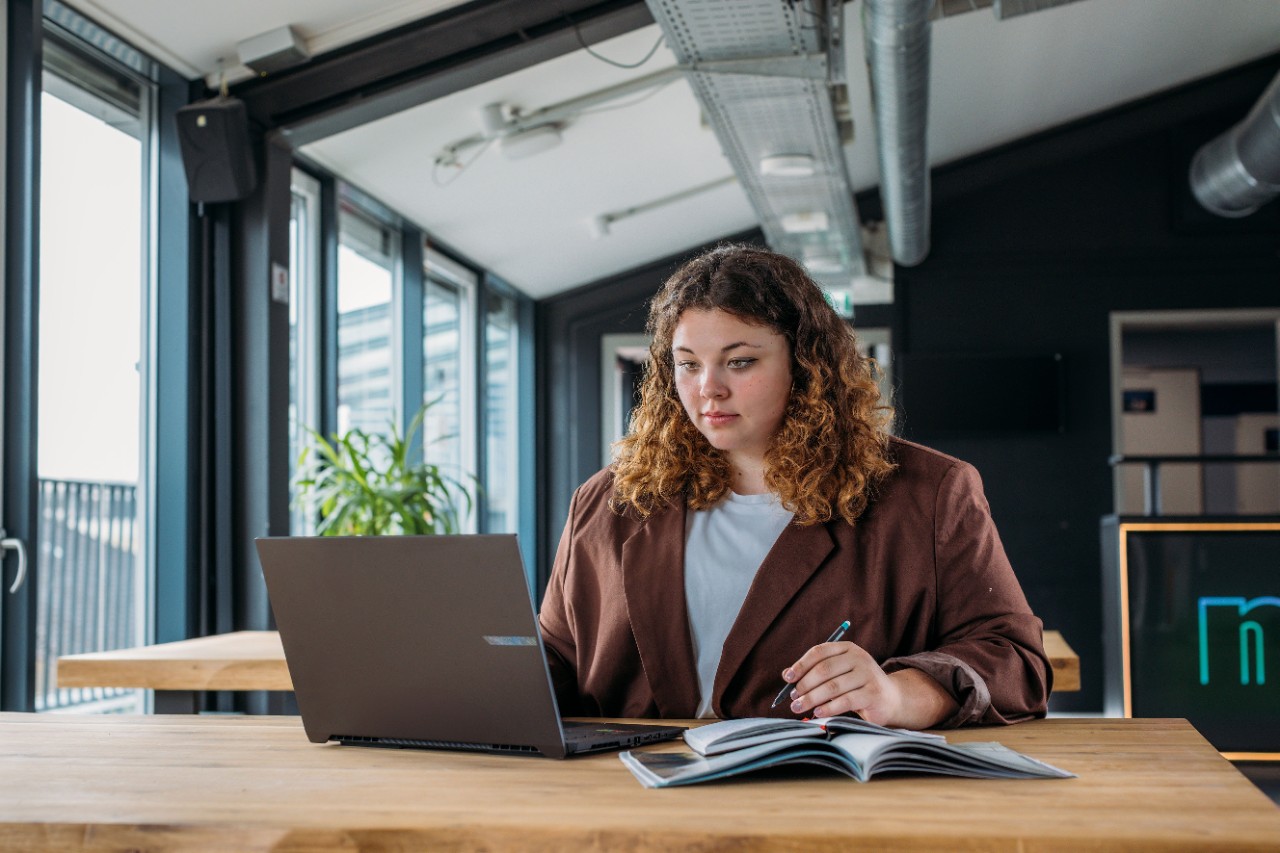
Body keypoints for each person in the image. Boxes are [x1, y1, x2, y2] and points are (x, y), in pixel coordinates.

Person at [538, 244, 1050, 728]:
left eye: (740, 361)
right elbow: (557, 656)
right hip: (626, 799)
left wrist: (898, 693)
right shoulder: (608, 501)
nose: (707, 389)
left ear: (806, 366)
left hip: (823, 799)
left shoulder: (928, 493)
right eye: (688, 363)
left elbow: (1016, 661)